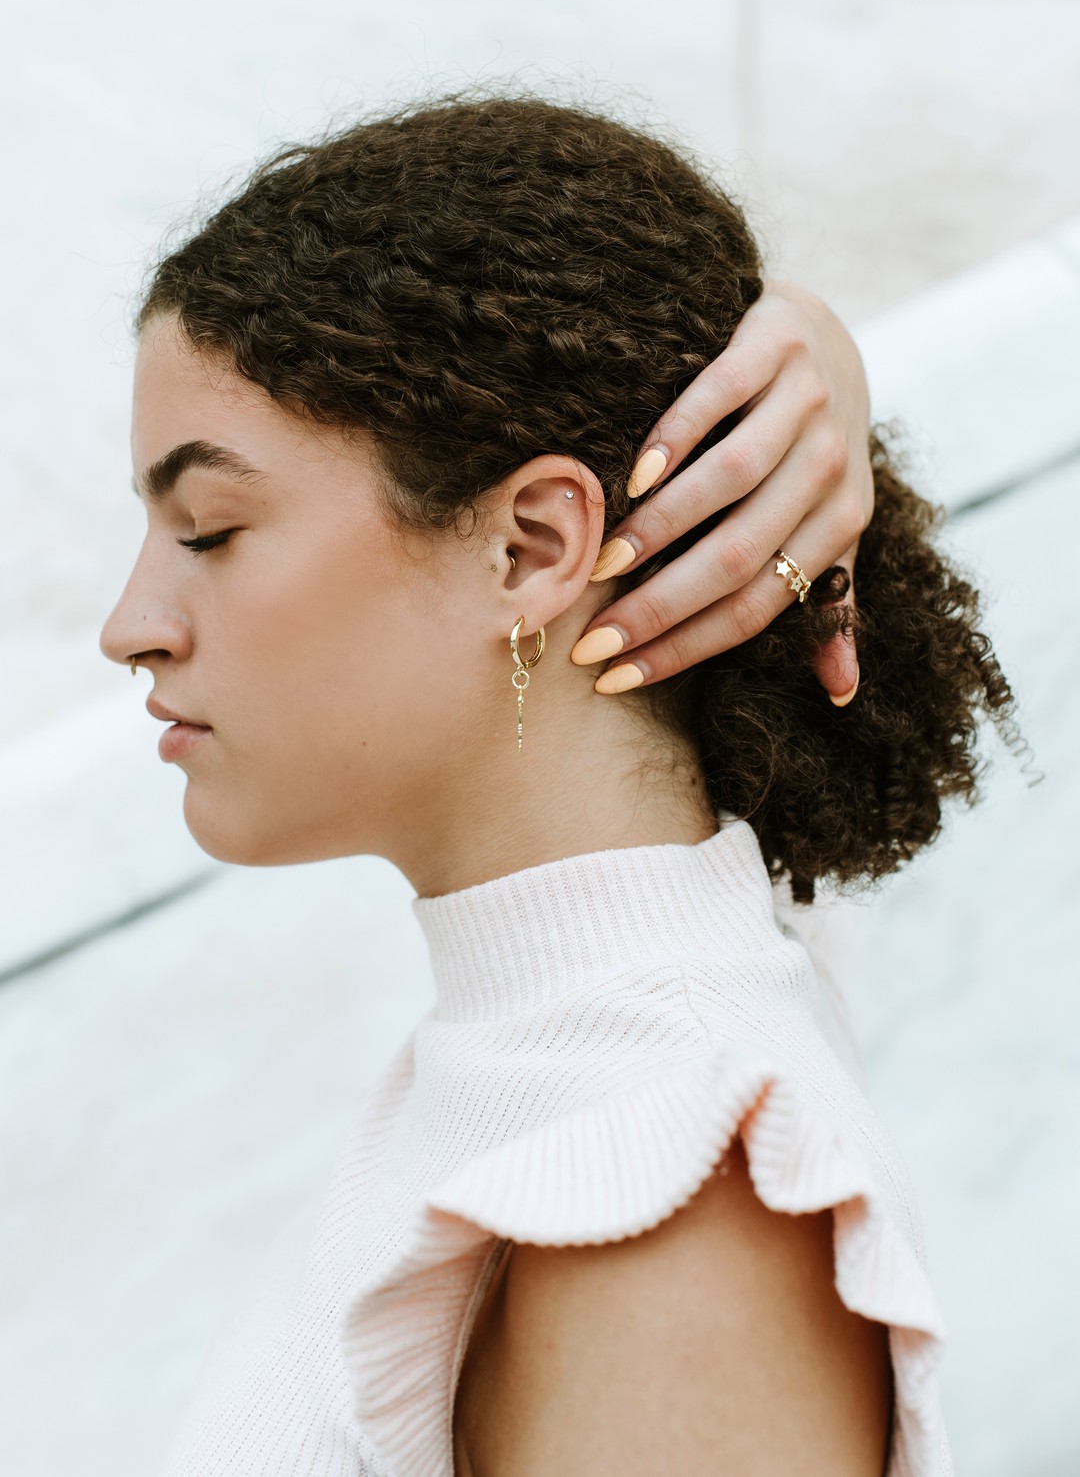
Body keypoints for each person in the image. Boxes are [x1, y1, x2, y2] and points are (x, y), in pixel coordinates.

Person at [99, 89, 1018, 1477]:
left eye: (211, 527)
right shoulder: (594, 1047)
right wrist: (799, 354)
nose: (132, 626)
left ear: (529, 547)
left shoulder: (670, 1179)